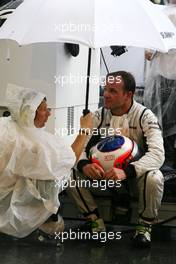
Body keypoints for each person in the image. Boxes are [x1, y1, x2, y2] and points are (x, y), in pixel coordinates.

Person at [68, 71, 165, 248]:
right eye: (105, 89)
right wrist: (84, 165)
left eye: (112, 90)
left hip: (135, 181)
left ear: (128, 94)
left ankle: (144, 227)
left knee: (155, 177)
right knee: (68, 173)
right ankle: (95, 223)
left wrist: (127, 171)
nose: (105, 94)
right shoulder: (96, 116)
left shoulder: (146, 116)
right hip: (102, 178)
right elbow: (78, 149)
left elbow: (158, 154)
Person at [0, 83, 92, 239]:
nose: (49, 114)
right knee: (60, 175)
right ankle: (47, 223)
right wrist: (84, 129)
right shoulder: (30, 143)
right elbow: (69, 159)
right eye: (44, 109)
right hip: (6, 198)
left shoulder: (5, 124)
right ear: (29, 113)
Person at [144, 1, 176, 172]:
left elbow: (148, 54)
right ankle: (167, 160)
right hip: (166, 76)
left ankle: (165, 160)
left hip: (163, 76)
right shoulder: (164, 13)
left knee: (162, 121)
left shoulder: (161, 14)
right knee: (168, 121)